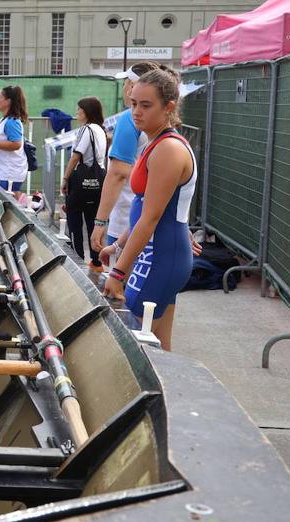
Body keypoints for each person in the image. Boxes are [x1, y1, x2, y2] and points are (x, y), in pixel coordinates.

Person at [101, 69, 197, 352]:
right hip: (161, 256)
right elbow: (148, 210)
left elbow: (152, 218)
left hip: (159, 259)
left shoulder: (168, 149)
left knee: (134, 353)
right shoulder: (155, 143)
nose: (136, 112)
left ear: (168, 107)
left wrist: (118, 273)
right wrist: (118, 244)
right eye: (133, 104)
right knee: (161, 350)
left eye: (146, 105)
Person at [91, 62, 161, 254]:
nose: (124, 88)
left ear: (132, 87)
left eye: (126, 83)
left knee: (121, 279)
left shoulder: (130, 118)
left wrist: (100, 221)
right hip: (151, 217)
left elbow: (118, 174)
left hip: (127, 218)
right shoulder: (160, 117)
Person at [61, 97, 107, 271]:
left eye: (79, 109)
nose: (77, 112)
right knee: (93, 221)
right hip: (98, 180)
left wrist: (65, 178)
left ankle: (77, 260)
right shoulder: (101, 130)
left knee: (74, 221)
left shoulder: (85, 129)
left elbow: (76, 156)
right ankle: (96, 262)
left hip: (81, 181)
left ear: (86, 111)